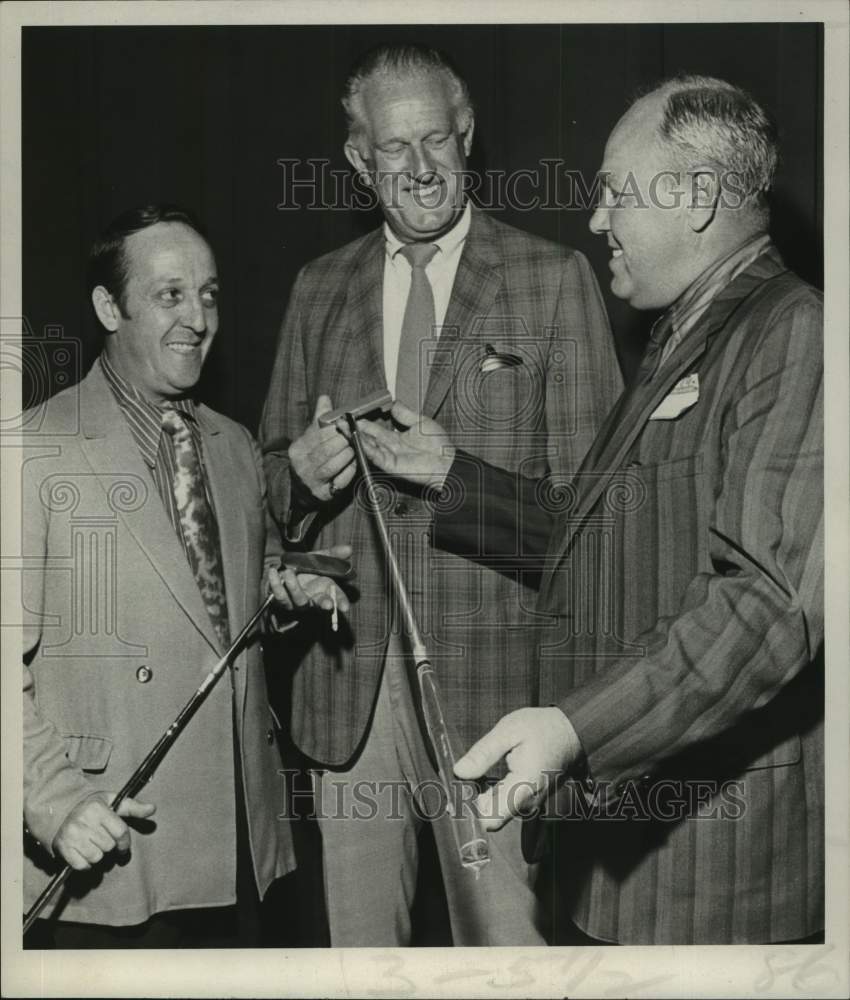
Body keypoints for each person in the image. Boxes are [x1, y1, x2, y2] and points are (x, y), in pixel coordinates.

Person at [358, 75, 824, 945]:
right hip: (635, 859)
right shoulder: (679, 337)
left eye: (613, 192)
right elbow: (602, 536)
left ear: (692, 198)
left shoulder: (796, 334)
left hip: (712, 875)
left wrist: (576, 729)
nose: (598, 220)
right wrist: (449, 471)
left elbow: (766, 605)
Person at [259, 44, 623, 946]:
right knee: (361, 964)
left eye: (437, 141)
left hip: (495, 696)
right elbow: (267, 485)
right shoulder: (319, 289)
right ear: (358, 161)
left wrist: (453, 476)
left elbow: (605, 524)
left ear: (468, 137)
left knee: (505, 965)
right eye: (394, 149)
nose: (419, 169)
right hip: (347, 694)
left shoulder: (553, 281)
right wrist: (296, 481)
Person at [22, 204, 350, 948]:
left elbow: (218, 609)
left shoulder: (233, 447)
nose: (198, 318)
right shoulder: (34, 448)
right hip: (109, 843)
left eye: (208, 295)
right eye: (170, 294)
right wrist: (55, 802)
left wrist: (286, 593)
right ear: (110, 306)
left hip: (240, 847)